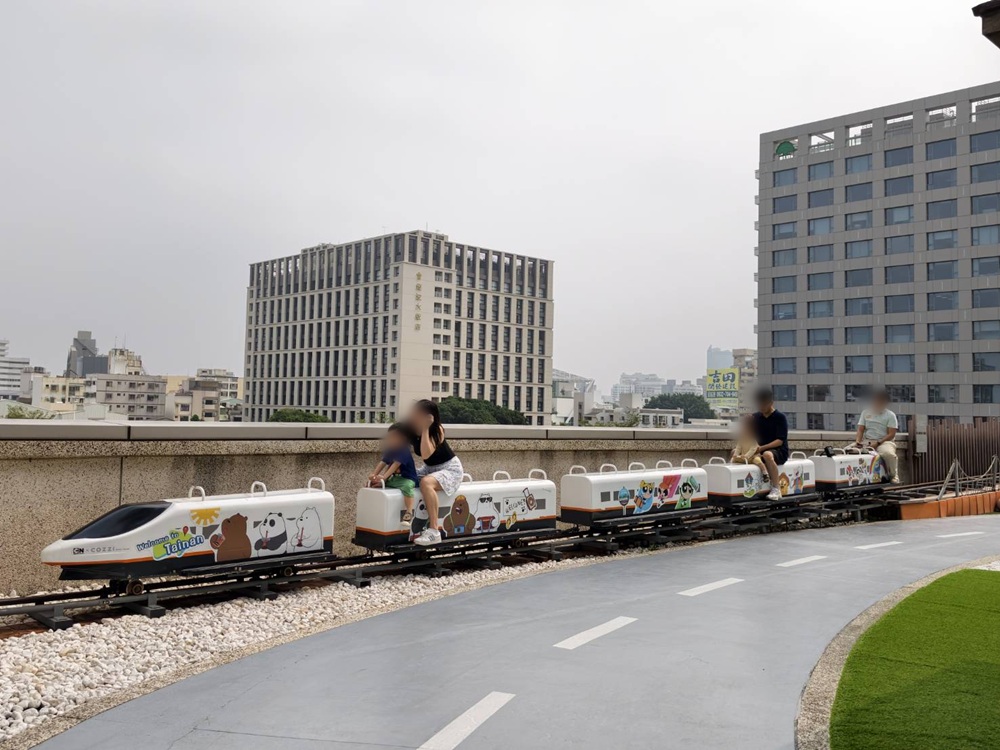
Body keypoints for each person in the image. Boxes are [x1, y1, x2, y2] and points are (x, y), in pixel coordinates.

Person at [406, 399, 464, 546]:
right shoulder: (410, 429)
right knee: (407, 478)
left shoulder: (437, 430)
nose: (413, 416)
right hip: (430, 468)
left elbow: (426, 454)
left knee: (426, 482)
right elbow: (396, 448)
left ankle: (434, 531)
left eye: (417, 413)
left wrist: (425, 428)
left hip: (449, 468)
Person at [367, 423, 419, 529]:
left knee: (407, 487)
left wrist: (384, 477)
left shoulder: (404, 451)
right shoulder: (391, 450)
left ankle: (409, 511)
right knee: (375, 484)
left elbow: (396, 464)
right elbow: (383, 462)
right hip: (395, 479)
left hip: (407, 479)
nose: (390, 440)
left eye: (393, 437)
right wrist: (374, 474)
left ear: (403, 439)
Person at [853, 388, 900, 484]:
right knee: (848, 450)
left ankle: (893, 475)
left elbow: (891, 434)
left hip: (884, 442)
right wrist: (858, 441)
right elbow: (860, 429)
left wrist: (878, 443)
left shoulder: (890, 415)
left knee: (888, 454)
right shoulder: (865, 412)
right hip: (867, 440)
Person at [751, 387, 789, 501]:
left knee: (767, 454)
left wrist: (762, 448)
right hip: (759, 449)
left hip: (778, 451)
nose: (761, 408)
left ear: (771, 403)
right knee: (735, 453)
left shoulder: (780, 417)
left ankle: (776, 488)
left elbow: (780, 441)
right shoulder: (756, 417)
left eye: (763, 405)